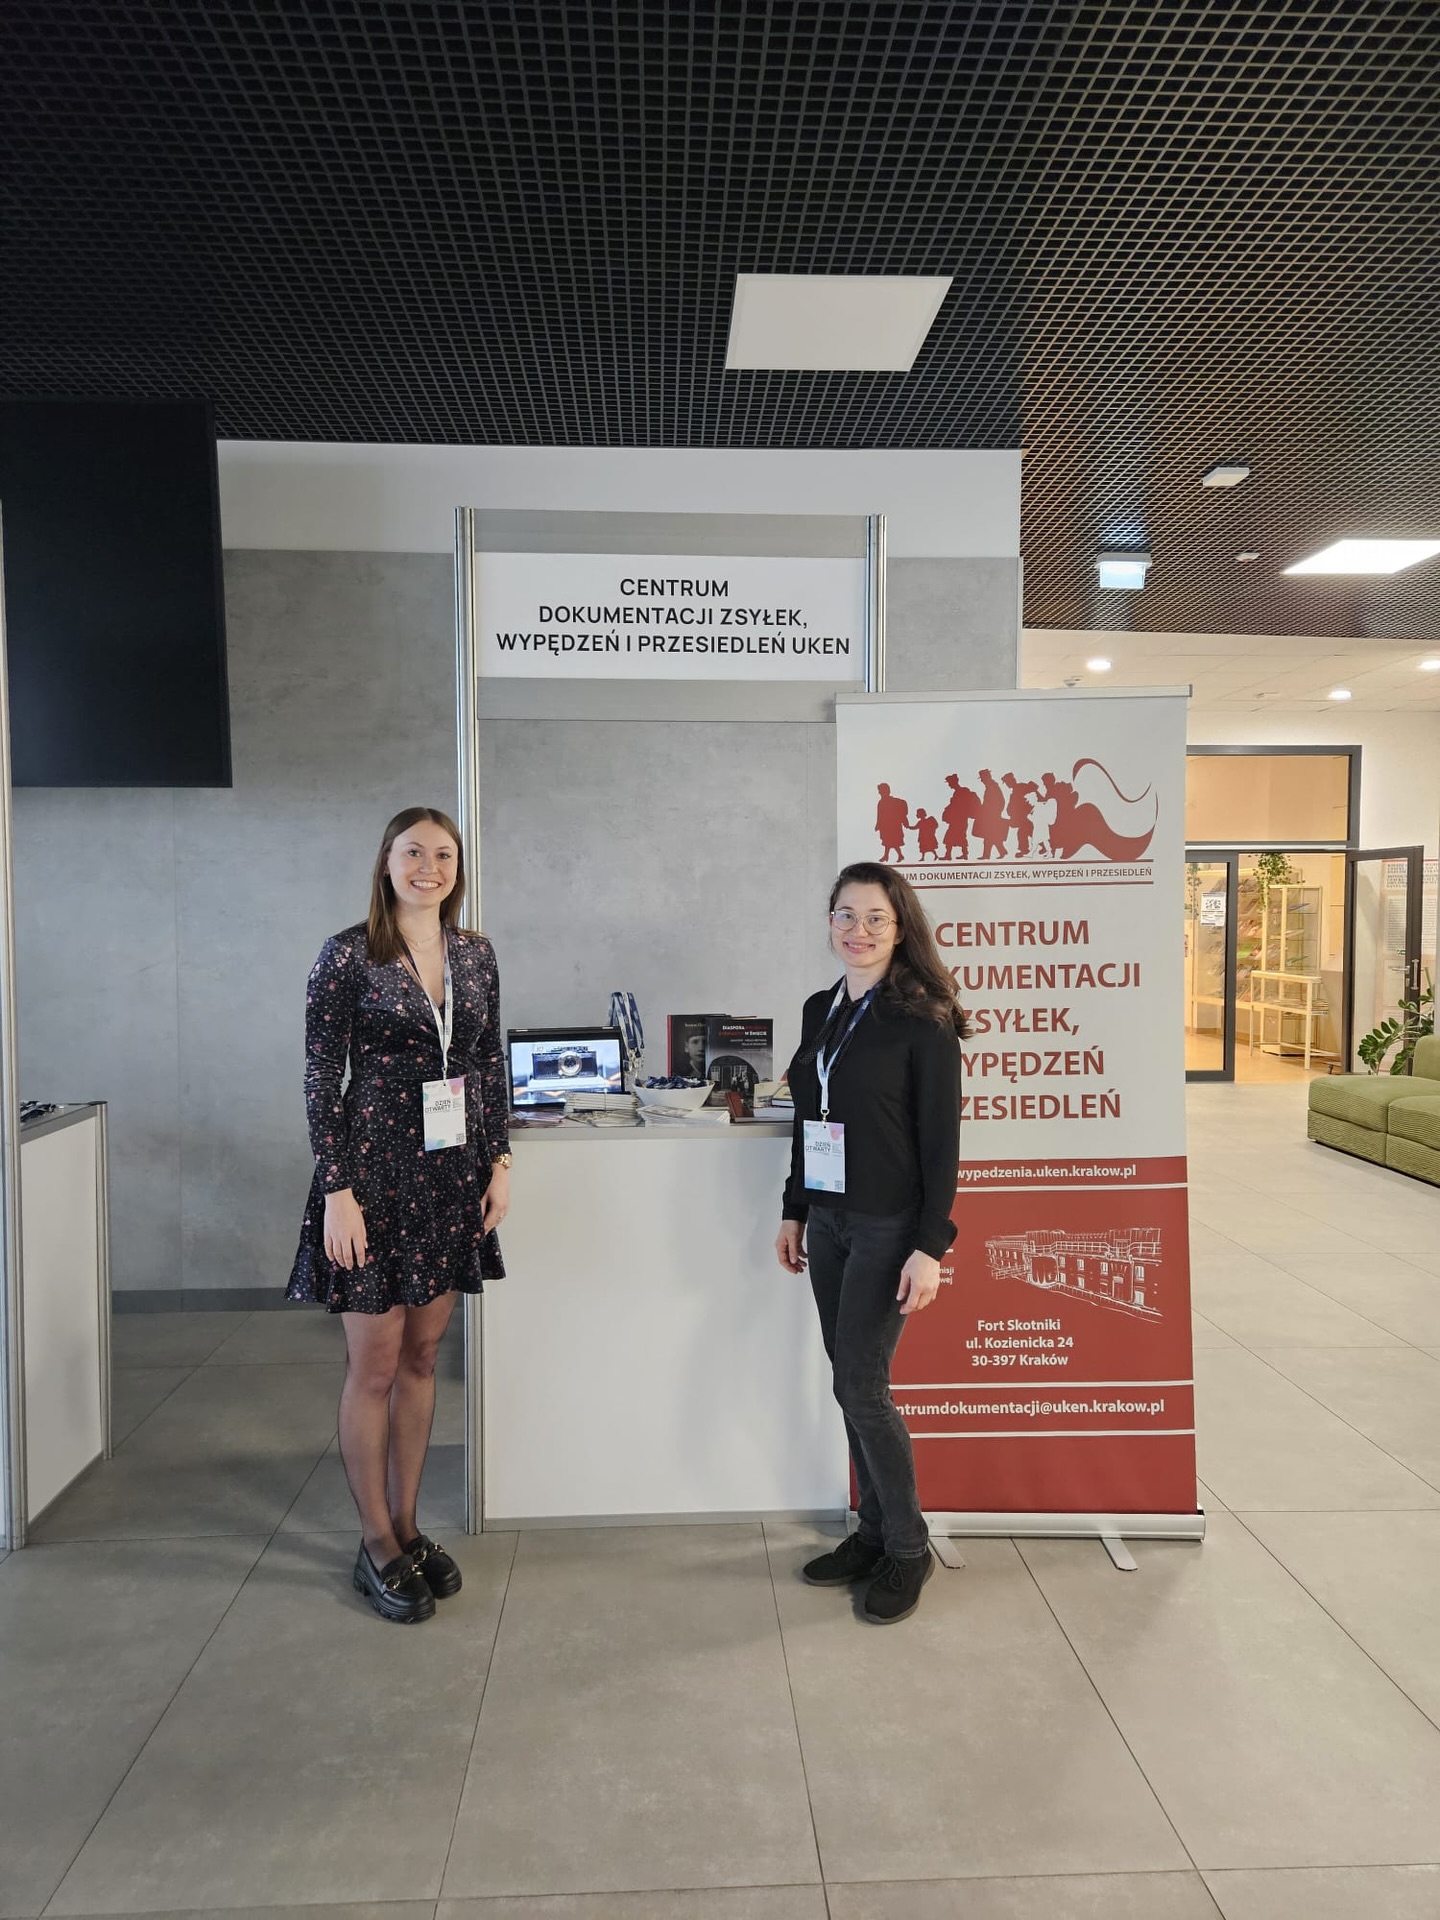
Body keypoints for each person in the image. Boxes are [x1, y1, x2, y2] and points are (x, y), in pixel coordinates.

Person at [287, 806, 512, 1624]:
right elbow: (321, 1074)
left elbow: (485, 1060)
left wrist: (499, 1160)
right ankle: (375, 1541)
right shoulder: (348, 954)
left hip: (450, 1179)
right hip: (373, 1181)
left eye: (443, 854)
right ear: (386, 862)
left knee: (422, 1359)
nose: (429, 867)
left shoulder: (476, 954)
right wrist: (337, 1190)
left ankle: (410, 1526)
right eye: (413, 852)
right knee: (375, 1369)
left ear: (458, 867)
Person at [775, 861, 966, 1625]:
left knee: (861, 1385)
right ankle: (875, 1532)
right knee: (848, 1378)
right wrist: (794, 1209)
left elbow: (942, 1144)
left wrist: (931, 1246)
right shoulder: (820, 1008)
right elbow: (808, 1120)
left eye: (875, 918)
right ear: (830, 921)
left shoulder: (924, 1017)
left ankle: (909, 1547)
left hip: (890, 1226)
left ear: (900, 927)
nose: (858, 931)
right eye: (845, 916)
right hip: (828, 1222)